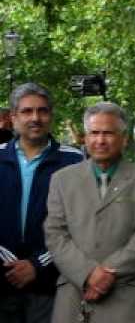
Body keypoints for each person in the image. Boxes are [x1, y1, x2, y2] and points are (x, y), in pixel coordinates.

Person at [44, 102, 135, 323]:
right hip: (74, 292)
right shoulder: (62, 180)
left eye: (108, 133)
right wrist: (88, 274)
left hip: (125, 294)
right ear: (85, 138)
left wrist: (107, 275)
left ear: (124, 138)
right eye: (94, 133)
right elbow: (55, 233)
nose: (100, 140)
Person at [0, 83, 84, 323]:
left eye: (42, 111)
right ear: (13, 117)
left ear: (51, 115)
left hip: (50, 282)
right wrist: (7, 260)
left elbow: (80, 223)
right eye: (27, 111)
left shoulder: (73, 160)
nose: (35, 118)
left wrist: (37, 264)